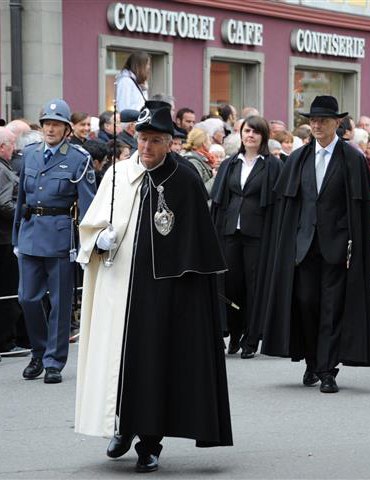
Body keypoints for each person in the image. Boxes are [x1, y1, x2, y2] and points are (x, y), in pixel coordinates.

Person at [75, 103, 232, 473]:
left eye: (155, 141)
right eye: (142, 139)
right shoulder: (117, 175)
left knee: (156, 366)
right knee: (121, 361)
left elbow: (199, 245)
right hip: (121, 288)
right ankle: (122, 426)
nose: (146, 147)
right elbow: (91, 227)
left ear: (170, 143)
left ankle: (150, 440)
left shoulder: (186, 180)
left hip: (167, 296)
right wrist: (99, 240)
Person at [261, 96, 370, 393]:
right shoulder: (298, 158)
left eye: (323, 121)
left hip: (338, 247)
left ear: (336, 124)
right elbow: (288, 208)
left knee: (332, 307)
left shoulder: (352, 159)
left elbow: (360, 209)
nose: (316, 125)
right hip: (303, 247)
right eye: (312, 121)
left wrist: (355, 245)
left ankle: (328, 370)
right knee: (305, 303)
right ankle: (312, 361)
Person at [13, 98, 96, 383]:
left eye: (57, 124)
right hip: (30, 233)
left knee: (61, 304)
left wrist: (90, 242)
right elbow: (22, 199)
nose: (50, 129)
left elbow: (88, 206)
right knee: (27, 298)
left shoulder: (78, 159)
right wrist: (16, 237)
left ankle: (53, 362)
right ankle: (38, 350)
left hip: (60, 237)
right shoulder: (30, 154)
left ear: (66, 129)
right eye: (47, 123)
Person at [211, 116, 283, 358]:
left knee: (254, 286)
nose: (250, 135)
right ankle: (233, 332)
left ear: (263, 136)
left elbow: (277, 204)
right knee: (231, 285)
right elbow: (220, 201)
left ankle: (252, 338)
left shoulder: (272, 165)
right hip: (230, 231)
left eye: (255, 132)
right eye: (246, 131)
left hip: (259, 234)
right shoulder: (230, 164)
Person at [0, 127, 30, 358]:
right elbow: (4, 204)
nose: (15, 149)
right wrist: (25, 214)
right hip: (4, 239)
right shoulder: (2, 170)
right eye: (12, 145)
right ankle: (6, 340)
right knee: (9, 291)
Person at [182, 127, 217, 196]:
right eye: (209, 140)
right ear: (204, 143)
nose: (211, 143)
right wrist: (215, 178)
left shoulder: (202, 159)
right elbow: (199, 192)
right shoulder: (194, 162)